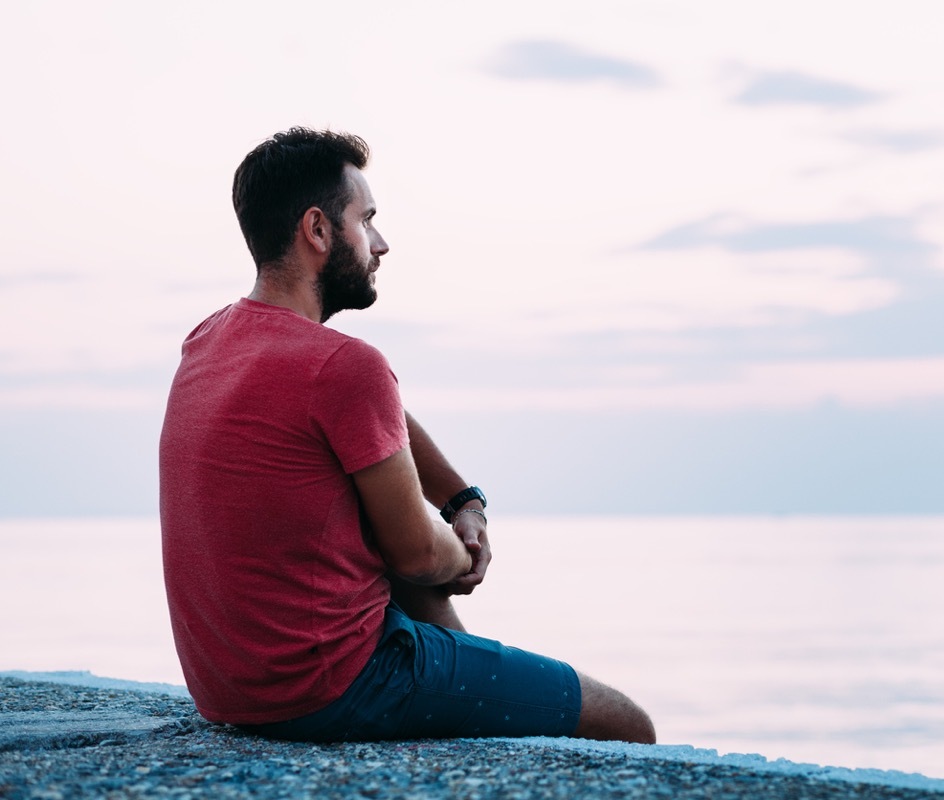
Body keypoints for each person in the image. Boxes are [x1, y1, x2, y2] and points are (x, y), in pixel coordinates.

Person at [159, 127, 654, 745]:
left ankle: (483, 706)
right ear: (317, 230)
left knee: (384, 556)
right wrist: (461, 552)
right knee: (629, 724)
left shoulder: (211, 341)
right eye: (365, 220)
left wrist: (460, 501)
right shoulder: (344, 366)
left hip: (230, 690)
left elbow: (380, 419)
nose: (381, 244)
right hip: (331, 686)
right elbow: (418, 556)